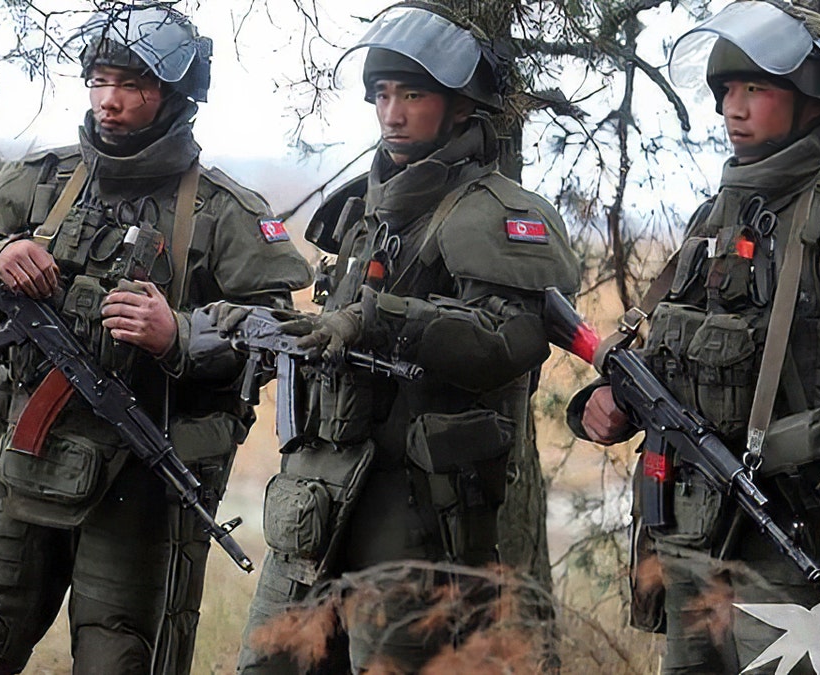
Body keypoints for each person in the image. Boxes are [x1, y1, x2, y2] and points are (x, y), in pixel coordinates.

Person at [0, 6, 312, 673]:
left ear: (177, 94)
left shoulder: (224, 213)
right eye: (99, 79)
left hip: (141, 479)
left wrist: (177, 333)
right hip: (18, 460)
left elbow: (277, 331)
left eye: (134, 83)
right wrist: (2, 257)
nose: (110, 100)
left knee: (118, 654)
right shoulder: (35, 182)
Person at [567, 2, 820, 672]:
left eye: (756, 89)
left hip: (801, 526)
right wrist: (613, 398)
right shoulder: (718, 214)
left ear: (815, 99)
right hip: (695, 532)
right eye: (726, 92)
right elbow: (675, 348)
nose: (733, 109)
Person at [233, 3, 580, 671]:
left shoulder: (496, 213)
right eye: (382, 94)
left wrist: (380, 317)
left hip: (420, 517)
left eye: (412, 94)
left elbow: (504, 345)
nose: (391, 112)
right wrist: (267, 327)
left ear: (458, 107)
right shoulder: (362, 213)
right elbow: (331, 323)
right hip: (318, 497)